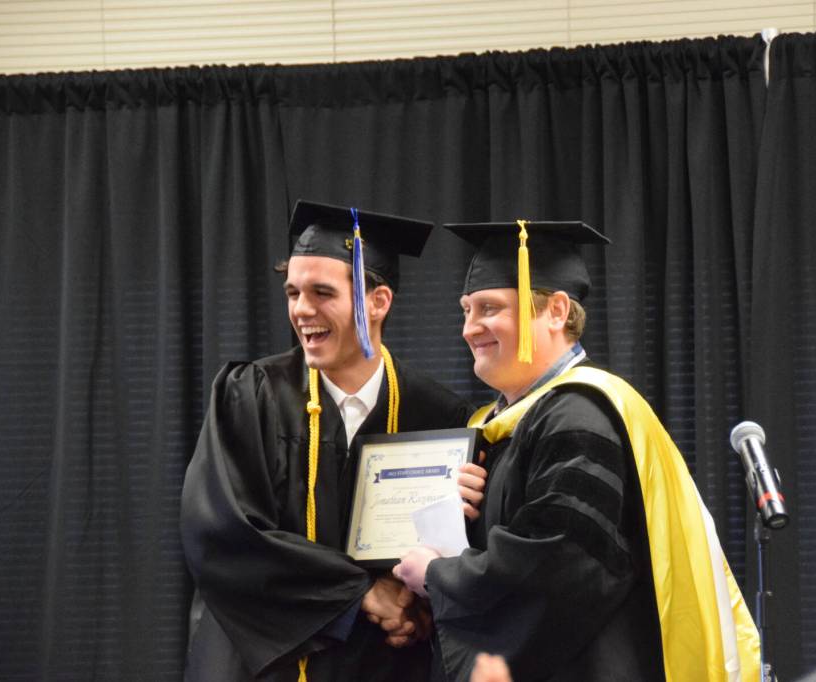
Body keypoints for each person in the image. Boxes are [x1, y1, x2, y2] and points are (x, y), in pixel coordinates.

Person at [395, 220, 762, 682]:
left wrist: (439, 575)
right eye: (466, 310)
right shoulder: (493, 425)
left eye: (489, 308)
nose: (470, 328)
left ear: (556, 310)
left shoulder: (580, 413)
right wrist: (459, 514)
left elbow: (561, 564)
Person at [180, 200, 479, 682]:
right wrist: (362, 592)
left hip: (382, 665)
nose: (301, 310)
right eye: (293, 292)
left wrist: (421, 606)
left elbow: (452, 552)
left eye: (321, 293)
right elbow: (224, 535)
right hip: (266, 668)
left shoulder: (438, 415)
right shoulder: (252, 396)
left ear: (378, 302)